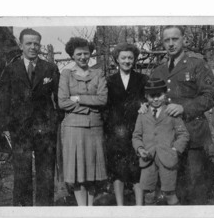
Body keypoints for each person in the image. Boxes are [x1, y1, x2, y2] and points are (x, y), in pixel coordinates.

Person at [149, 25, 214, 205]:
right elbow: (151, 98)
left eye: (175, 39)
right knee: (172, 189)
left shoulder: (197, 65)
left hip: (194, 136)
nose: (171, 44)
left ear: (183, 40)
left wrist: (184, 108)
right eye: (166, 40)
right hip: (169, 139)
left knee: (196, 188)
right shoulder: (158, 72)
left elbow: (211, 95)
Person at [0, 28, 60, 206]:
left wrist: (54, 121)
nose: (33, 47)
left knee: (46, 173)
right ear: (20, 45)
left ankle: (44, 211)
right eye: (28, 43)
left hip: (45, 130)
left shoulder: (50, 68)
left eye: (36, 44)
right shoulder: (11, 69)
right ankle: (22, 212)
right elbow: (3, 101)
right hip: (20, 130)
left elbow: (60, 98)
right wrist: (7, 127)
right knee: (22, 174)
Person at [58, 37, 108, 206]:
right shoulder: (66, 74)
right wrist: (88, 107)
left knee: (92, 171)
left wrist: (78, 98)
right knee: (78, 171)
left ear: (91, 54)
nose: (83, 57)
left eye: (86, 53)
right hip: (73, 129)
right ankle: (82, 208)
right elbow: (63, 102)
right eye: (79, 54)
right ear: (72, 56)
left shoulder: (98, 73)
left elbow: (102, 99)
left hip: (94, 128)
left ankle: (91, 207)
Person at [132, 78, 190, 205]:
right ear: (146, 96)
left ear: (165, 95)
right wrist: (140, 149)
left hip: (167, 159)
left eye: (159, 95)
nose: (156, 99)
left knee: (170, 194)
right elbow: (136, 136)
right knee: (148, 194)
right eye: (152, 96)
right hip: (147, 159)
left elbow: (183, 134)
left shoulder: (171, 112)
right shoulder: (142, 113)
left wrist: (175, 149)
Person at [105, 43, 148, 206]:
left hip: (136, 130)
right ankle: (120, 207)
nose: (127, 61)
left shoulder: (142, 79)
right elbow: (106, 106)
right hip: (116, 132)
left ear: (135, 59)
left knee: (138, 169)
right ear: (117, 59)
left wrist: (145, 104)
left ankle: (139, 207)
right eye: (123, 57)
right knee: (118, 171)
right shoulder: (109, 81)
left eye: (130, 57)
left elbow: (148, 100)